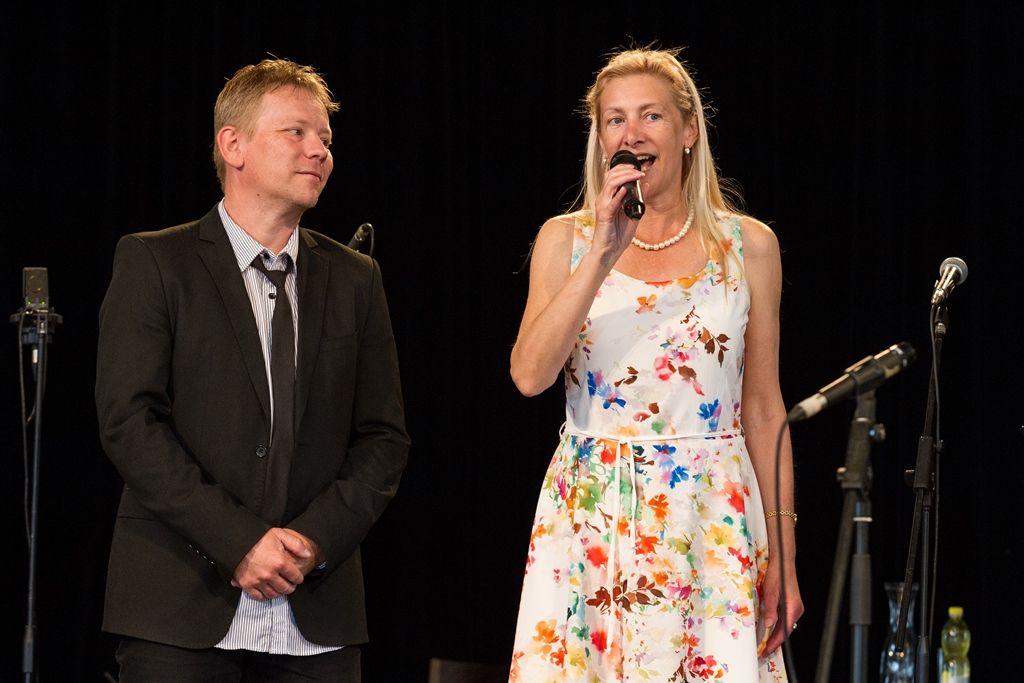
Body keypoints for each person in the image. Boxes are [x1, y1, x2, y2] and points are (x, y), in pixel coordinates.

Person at [95, 58, 409, 682]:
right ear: (232, 145)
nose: (319, 150)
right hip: (179, 605)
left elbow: (383, 438)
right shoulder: (155, 262)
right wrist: (238, 541)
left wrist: (312, 543)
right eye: (296, 132)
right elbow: (130, 422)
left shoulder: (356, 279)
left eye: (325, 138)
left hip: (315, 614)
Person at [508, 48, 803, 681]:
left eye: (651, 116)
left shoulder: (749, 246)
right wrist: (602, 252)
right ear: (600, 138)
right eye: (615, 119)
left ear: (689, 129)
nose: (632, 134)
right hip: (593, 514)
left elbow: (763, 407)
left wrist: (784, 554)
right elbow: (530, 376)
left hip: (710, 516)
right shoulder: (566, 240)